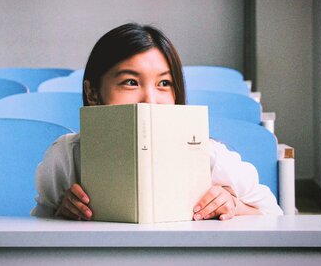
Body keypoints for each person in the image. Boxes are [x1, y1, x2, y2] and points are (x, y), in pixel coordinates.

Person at [31, 23, 283, 221]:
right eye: (130, 82)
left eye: (164, 83)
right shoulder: (66, 157)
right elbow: (39, 226)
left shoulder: (207, 155)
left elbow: (273, 214)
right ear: (93, 93)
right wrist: (60, 215)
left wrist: (234, 206)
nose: (150, 99)